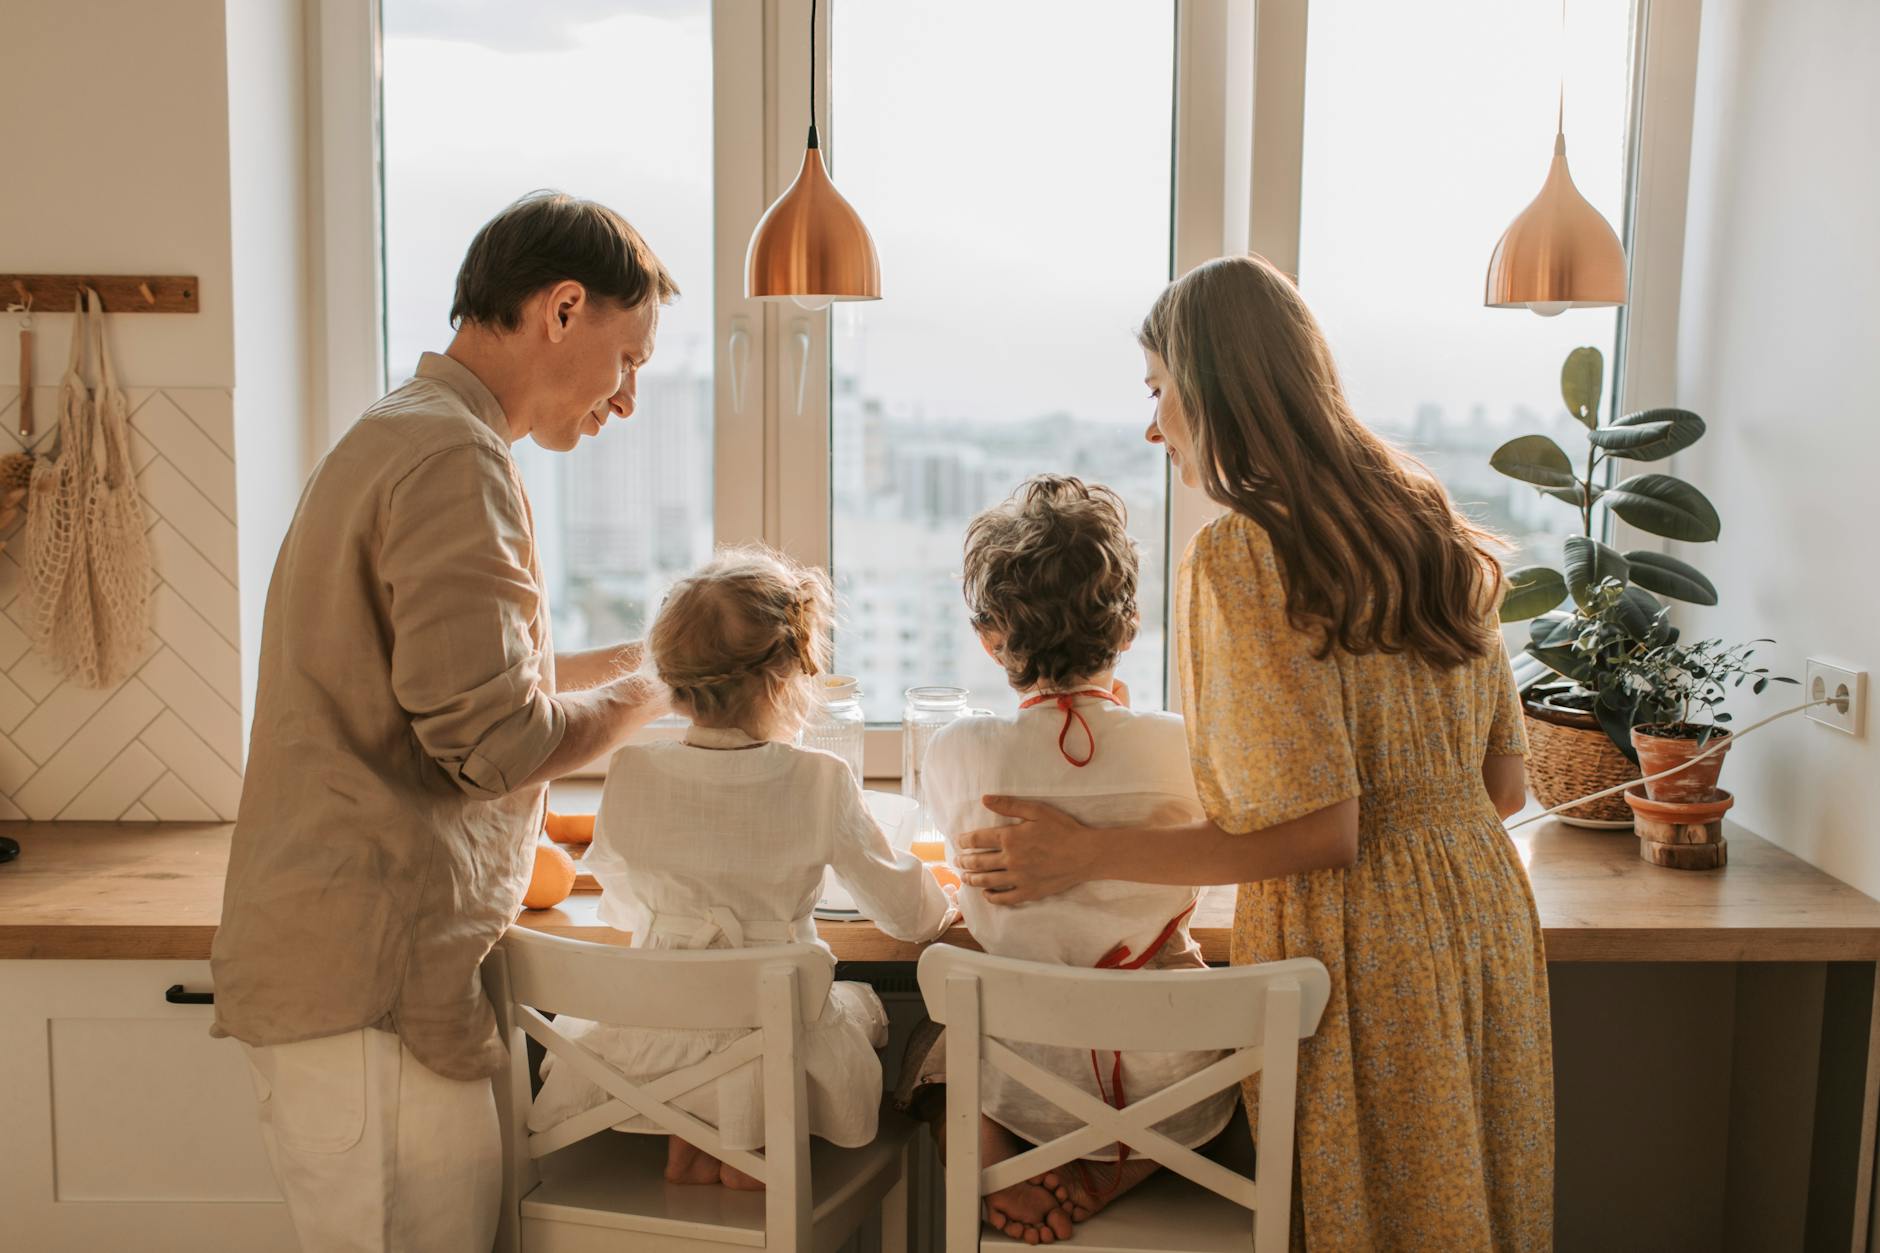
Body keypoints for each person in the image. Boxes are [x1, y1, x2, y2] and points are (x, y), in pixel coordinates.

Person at [955, 254, 1550, 1250]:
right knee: (1468, 1211)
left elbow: (1317, 828)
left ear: (1214, 385)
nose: (1153, 426)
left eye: (1158, 390)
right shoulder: (1430, 520)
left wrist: (1084, 851)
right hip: (1481, 918)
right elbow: (1501, 784)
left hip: (1358, 947)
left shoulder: (1242, 553)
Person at [211, 191, 676, 1252]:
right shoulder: (451, 461)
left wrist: (636, 664)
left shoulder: (415, 433)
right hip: (363, 976)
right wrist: (658, 692)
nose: (629, 398)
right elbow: (494, 742)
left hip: (365, 970)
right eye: (631, 358)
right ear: (563, 309)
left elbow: (444, 678)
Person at [529, 546, 957, 1188]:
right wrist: (943, 899)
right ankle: (747, 1164)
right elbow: (907, 914)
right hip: (772, 1043)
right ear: (786, 678)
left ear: (670, 679)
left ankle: (695, 1145)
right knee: (816, 1021)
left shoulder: (631, 770)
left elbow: (619, 903)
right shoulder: (820, 779)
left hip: (652, 1046)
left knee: (699, 1022)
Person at [902, 475, 1233, 1245]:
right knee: (1213, 1068)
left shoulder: (959, 752)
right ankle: (1132, 1162)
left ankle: (1001, 1167)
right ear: (1129, 630)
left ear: (990, 637)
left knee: (933, 1049)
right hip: (1172, 1078)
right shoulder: (1178, 744)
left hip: (1027, 1084)